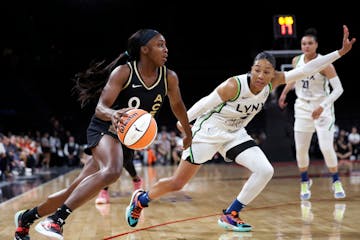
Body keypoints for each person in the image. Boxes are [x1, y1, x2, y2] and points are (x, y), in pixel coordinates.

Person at [125, 25, 355, 232]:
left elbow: (307, 69)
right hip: (208, 133)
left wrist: (339, 53)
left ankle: (231, 213)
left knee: (265, 170)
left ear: (272, 74)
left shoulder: (274, 81)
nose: (260, 75)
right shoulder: (233, 85)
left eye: (266, 72)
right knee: (177, 183)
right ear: (251, 69)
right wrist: (183, 123)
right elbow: (205, 103)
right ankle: (141, 200)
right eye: (257, 70)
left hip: (234, 134)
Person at [14, 28, 192, 240]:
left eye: (165, 45)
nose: (166, 49)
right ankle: (55, 220)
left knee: (73, 190)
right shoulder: (124, 72)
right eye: (160, 45)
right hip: (104, 127)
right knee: (113, 170)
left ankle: (25, 219)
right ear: (144, 50)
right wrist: (114, 114)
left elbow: (178, 105)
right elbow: (101, 108)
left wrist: (188, 133)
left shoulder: (169, 77)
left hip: (126, 139)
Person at [278, 27, 348, 200]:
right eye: (303, 43)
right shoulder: (296, 61)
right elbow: (293, 78)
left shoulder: (325, 64)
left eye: (310, 43)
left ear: (316, 45)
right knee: (301, 150)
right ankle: (304, 181)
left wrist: (322, 106)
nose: (306, 46)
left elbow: (339, 89)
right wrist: (284, 92)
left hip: (322, 109)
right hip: (302, 108)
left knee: (326, 148)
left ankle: (336, 180)